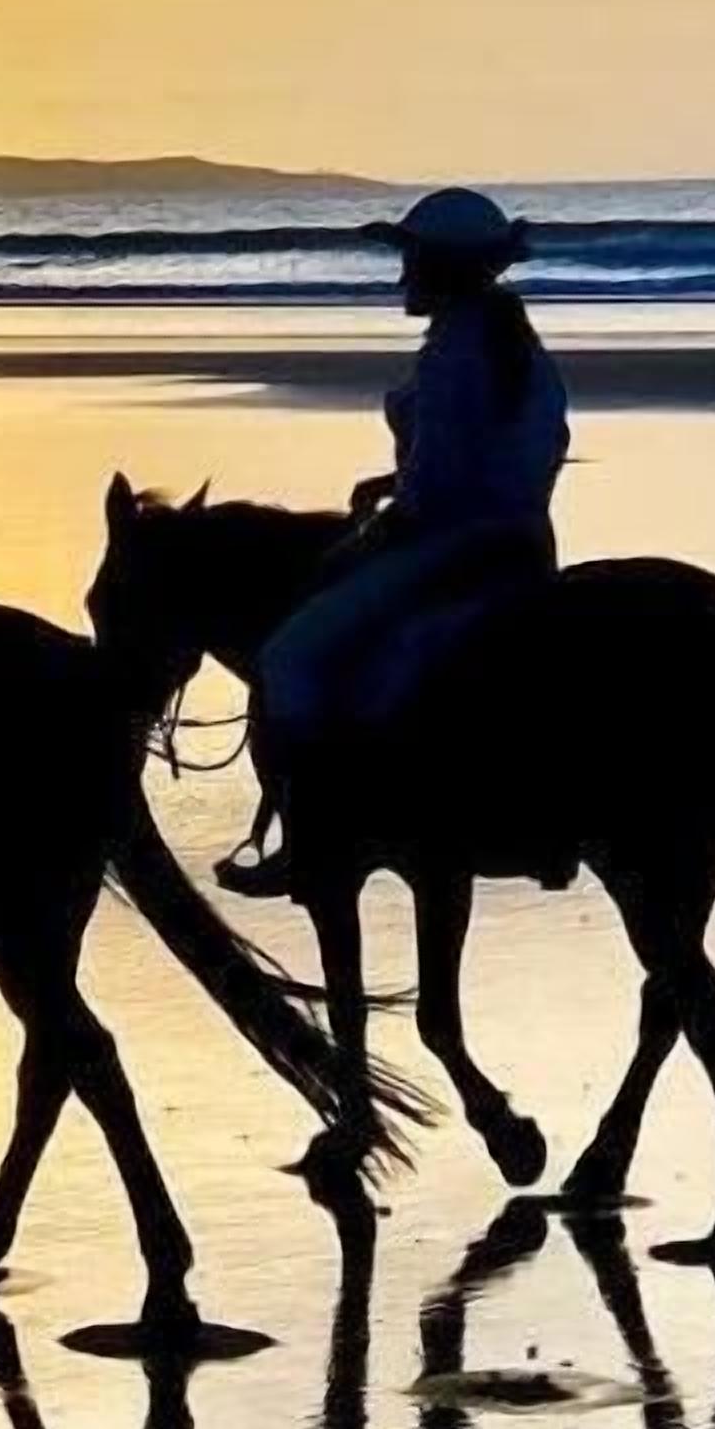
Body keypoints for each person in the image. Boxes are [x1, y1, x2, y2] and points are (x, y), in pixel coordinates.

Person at [218, 187, 566, 898]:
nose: (404, 276)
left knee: (289, 656)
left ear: (443, 268)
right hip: (523, 535)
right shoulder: (513, 344)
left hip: (455, 542)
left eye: (413, 261)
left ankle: (312, 841)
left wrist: (372, 533)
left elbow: (436, 485)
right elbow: (505, 451)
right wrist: (394, 479)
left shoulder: (453, 356)